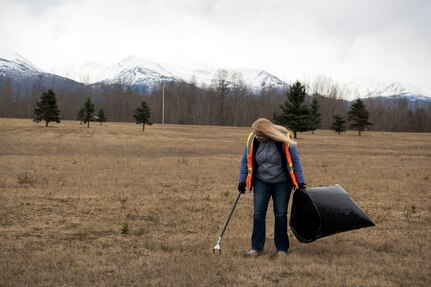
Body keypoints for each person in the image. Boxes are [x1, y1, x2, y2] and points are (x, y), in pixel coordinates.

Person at [238, 118, 306, 257]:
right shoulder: (252, 139)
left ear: (267, 132)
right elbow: (245, 160)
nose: (258, 137)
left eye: (260, 135)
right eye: (256, 134)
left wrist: (300, 182)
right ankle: (256, 247)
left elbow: (295, 161)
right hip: (261, 181)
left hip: (282, 182)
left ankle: (282, 248)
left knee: (280, 214)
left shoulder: (283, 139)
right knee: (258, 213)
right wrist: (242, 181)